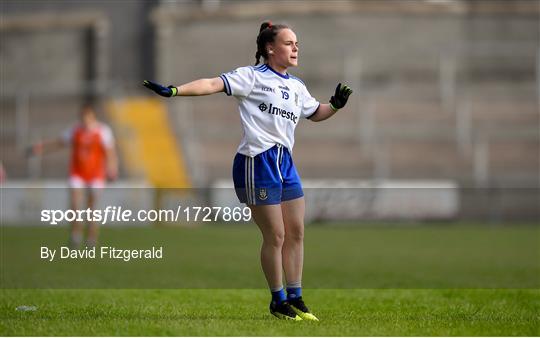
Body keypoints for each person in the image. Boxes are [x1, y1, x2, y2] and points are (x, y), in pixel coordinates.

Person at [143, 21, 352, 321]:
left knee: (296, 232)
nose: (295, 48)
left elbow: (315, 112)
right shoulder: (251, 77)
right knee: (276, 235)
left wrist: (334, 105)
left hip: (285, 162)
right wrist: (176, 91)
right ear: (270, 48)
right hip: (256, 161)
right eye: (289, 43)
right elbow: (212, 84)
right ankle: (278, 301)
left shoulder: (296, 86)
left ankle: (296, 297)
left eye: (297, 44)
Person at [29, 103, 118, 248]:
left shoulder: (103, 131)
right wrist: (41, 147)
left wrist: (112, 168)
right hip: (77, 172)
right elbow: (59, 143)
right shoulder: (75, 131)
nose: (85, 121)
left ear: (93, 117)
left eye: (88, 118)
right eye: (83, 118)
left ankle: (91, 238)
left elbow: (110, 152)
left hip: (96, 174)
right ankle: (75, 236)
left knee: (92, 207)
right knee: (76, 204)